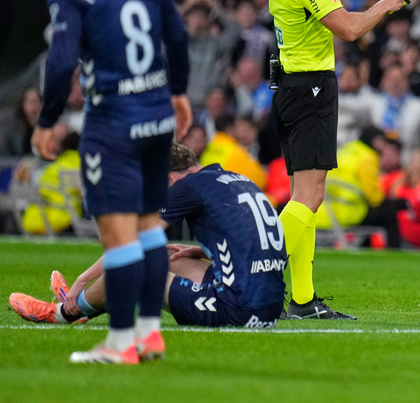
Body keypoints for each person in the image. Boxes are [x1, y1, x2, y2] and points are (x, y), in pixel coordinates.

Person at [31, 0, 192, 364]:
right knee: (148, 230)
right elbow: (177, 33)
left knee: (119, 237)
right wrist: (179, 91)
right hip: (158, 114)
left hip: (114, 122)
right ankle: (148, 335)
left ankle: (120, 343)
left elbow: (61, 62)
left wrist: (47, 119)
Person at [268, 0, 411, 320]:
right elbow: (348, 29)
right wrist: (386, 5)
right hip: (310, 89)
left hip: (291, 86)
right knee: (309, 198)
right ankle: (246, 266)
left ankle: (304, 299)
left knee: (302, 195)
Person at [9, 143, 285, 334]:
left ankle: (62, 312)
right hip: (268, 308)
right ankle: (84, 302)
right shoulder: (233, 178)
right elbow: (259, 240)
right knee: (165, 254)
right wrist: (203, 253)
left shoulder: (185, 187)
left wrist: (82, 278)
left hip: (237, 310)